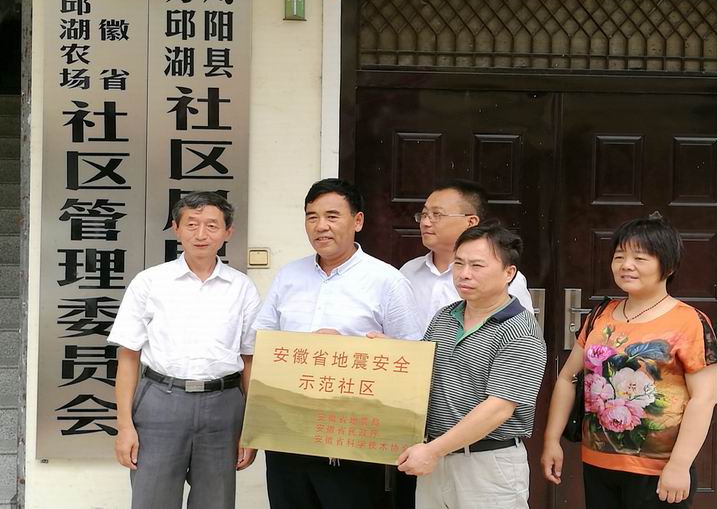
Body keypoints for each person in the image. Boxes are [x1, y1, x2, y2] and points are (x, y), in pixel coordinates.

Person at [251, 178, 421, 509]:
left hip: (354, 436)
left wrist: (348, 350)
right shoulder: (289, 276)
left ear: (357, 221)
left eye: (332, 216)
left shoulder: (387, 281)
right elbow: (262, 343)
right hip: (290, 429)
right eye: (311, 217)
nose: (320, 226)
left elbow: (411, 358)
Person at [540, 214, 717, 508]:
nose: (626, 265)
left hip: (659, 470)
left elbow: (705, 398)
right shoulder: (600, 316)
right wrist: (551, 440)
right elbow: (567, 377)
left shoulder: (690, 321)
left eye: (640, 258)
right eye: (619, 256)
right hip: (598, 464)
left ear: (669, 266)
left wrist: (679, 465)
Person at [108, 191, 261, 509]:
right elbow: (128, 356)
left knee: (215, 502)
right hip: (160, 403)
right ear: (176, 229)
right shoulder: (150, 282)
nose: (201, 234)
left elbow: (249, 359)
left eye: (212, 225)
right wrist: (124, 426)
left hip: (224, 407)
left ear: (228, 232)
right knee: (152, 501)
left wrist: (251, 428)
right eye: (191, 224)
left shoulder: (242, 287)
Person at [396, 222, 547, 509]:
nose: (464, 273)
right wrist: (384, 350)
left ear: (509, 273)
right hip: (434, 459)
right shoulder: (445, 316)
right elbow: (420, 373)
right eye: (459, 263)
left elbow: (499, 408)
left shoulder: (520, 331)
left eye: (477, 265)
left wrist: (433, 451)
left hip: (487, 466)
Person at [400, 180, 534, 328]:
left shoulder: (501, 276)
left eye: (436, 214)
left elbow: (522, 329)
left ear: (470, 222)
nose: (425, 222)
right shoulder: (408, 271)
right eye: (424, 214)